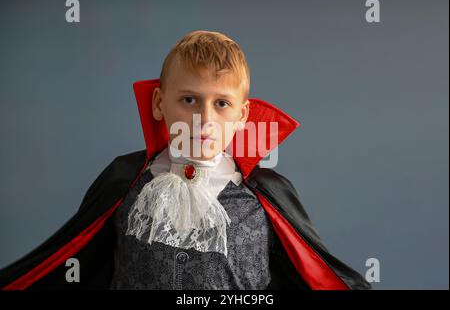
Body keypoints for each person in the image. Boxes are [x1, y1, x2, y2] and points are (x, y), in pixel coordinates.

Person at [0, 30, 371, 290]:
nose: (205, 119)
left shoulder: (267, 196)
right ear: (160, 104)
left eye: (221, 103)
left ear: (243, 116)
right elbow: (75, 260)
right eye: (189, 100)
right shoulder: (124, 179)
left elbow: (315, 278)